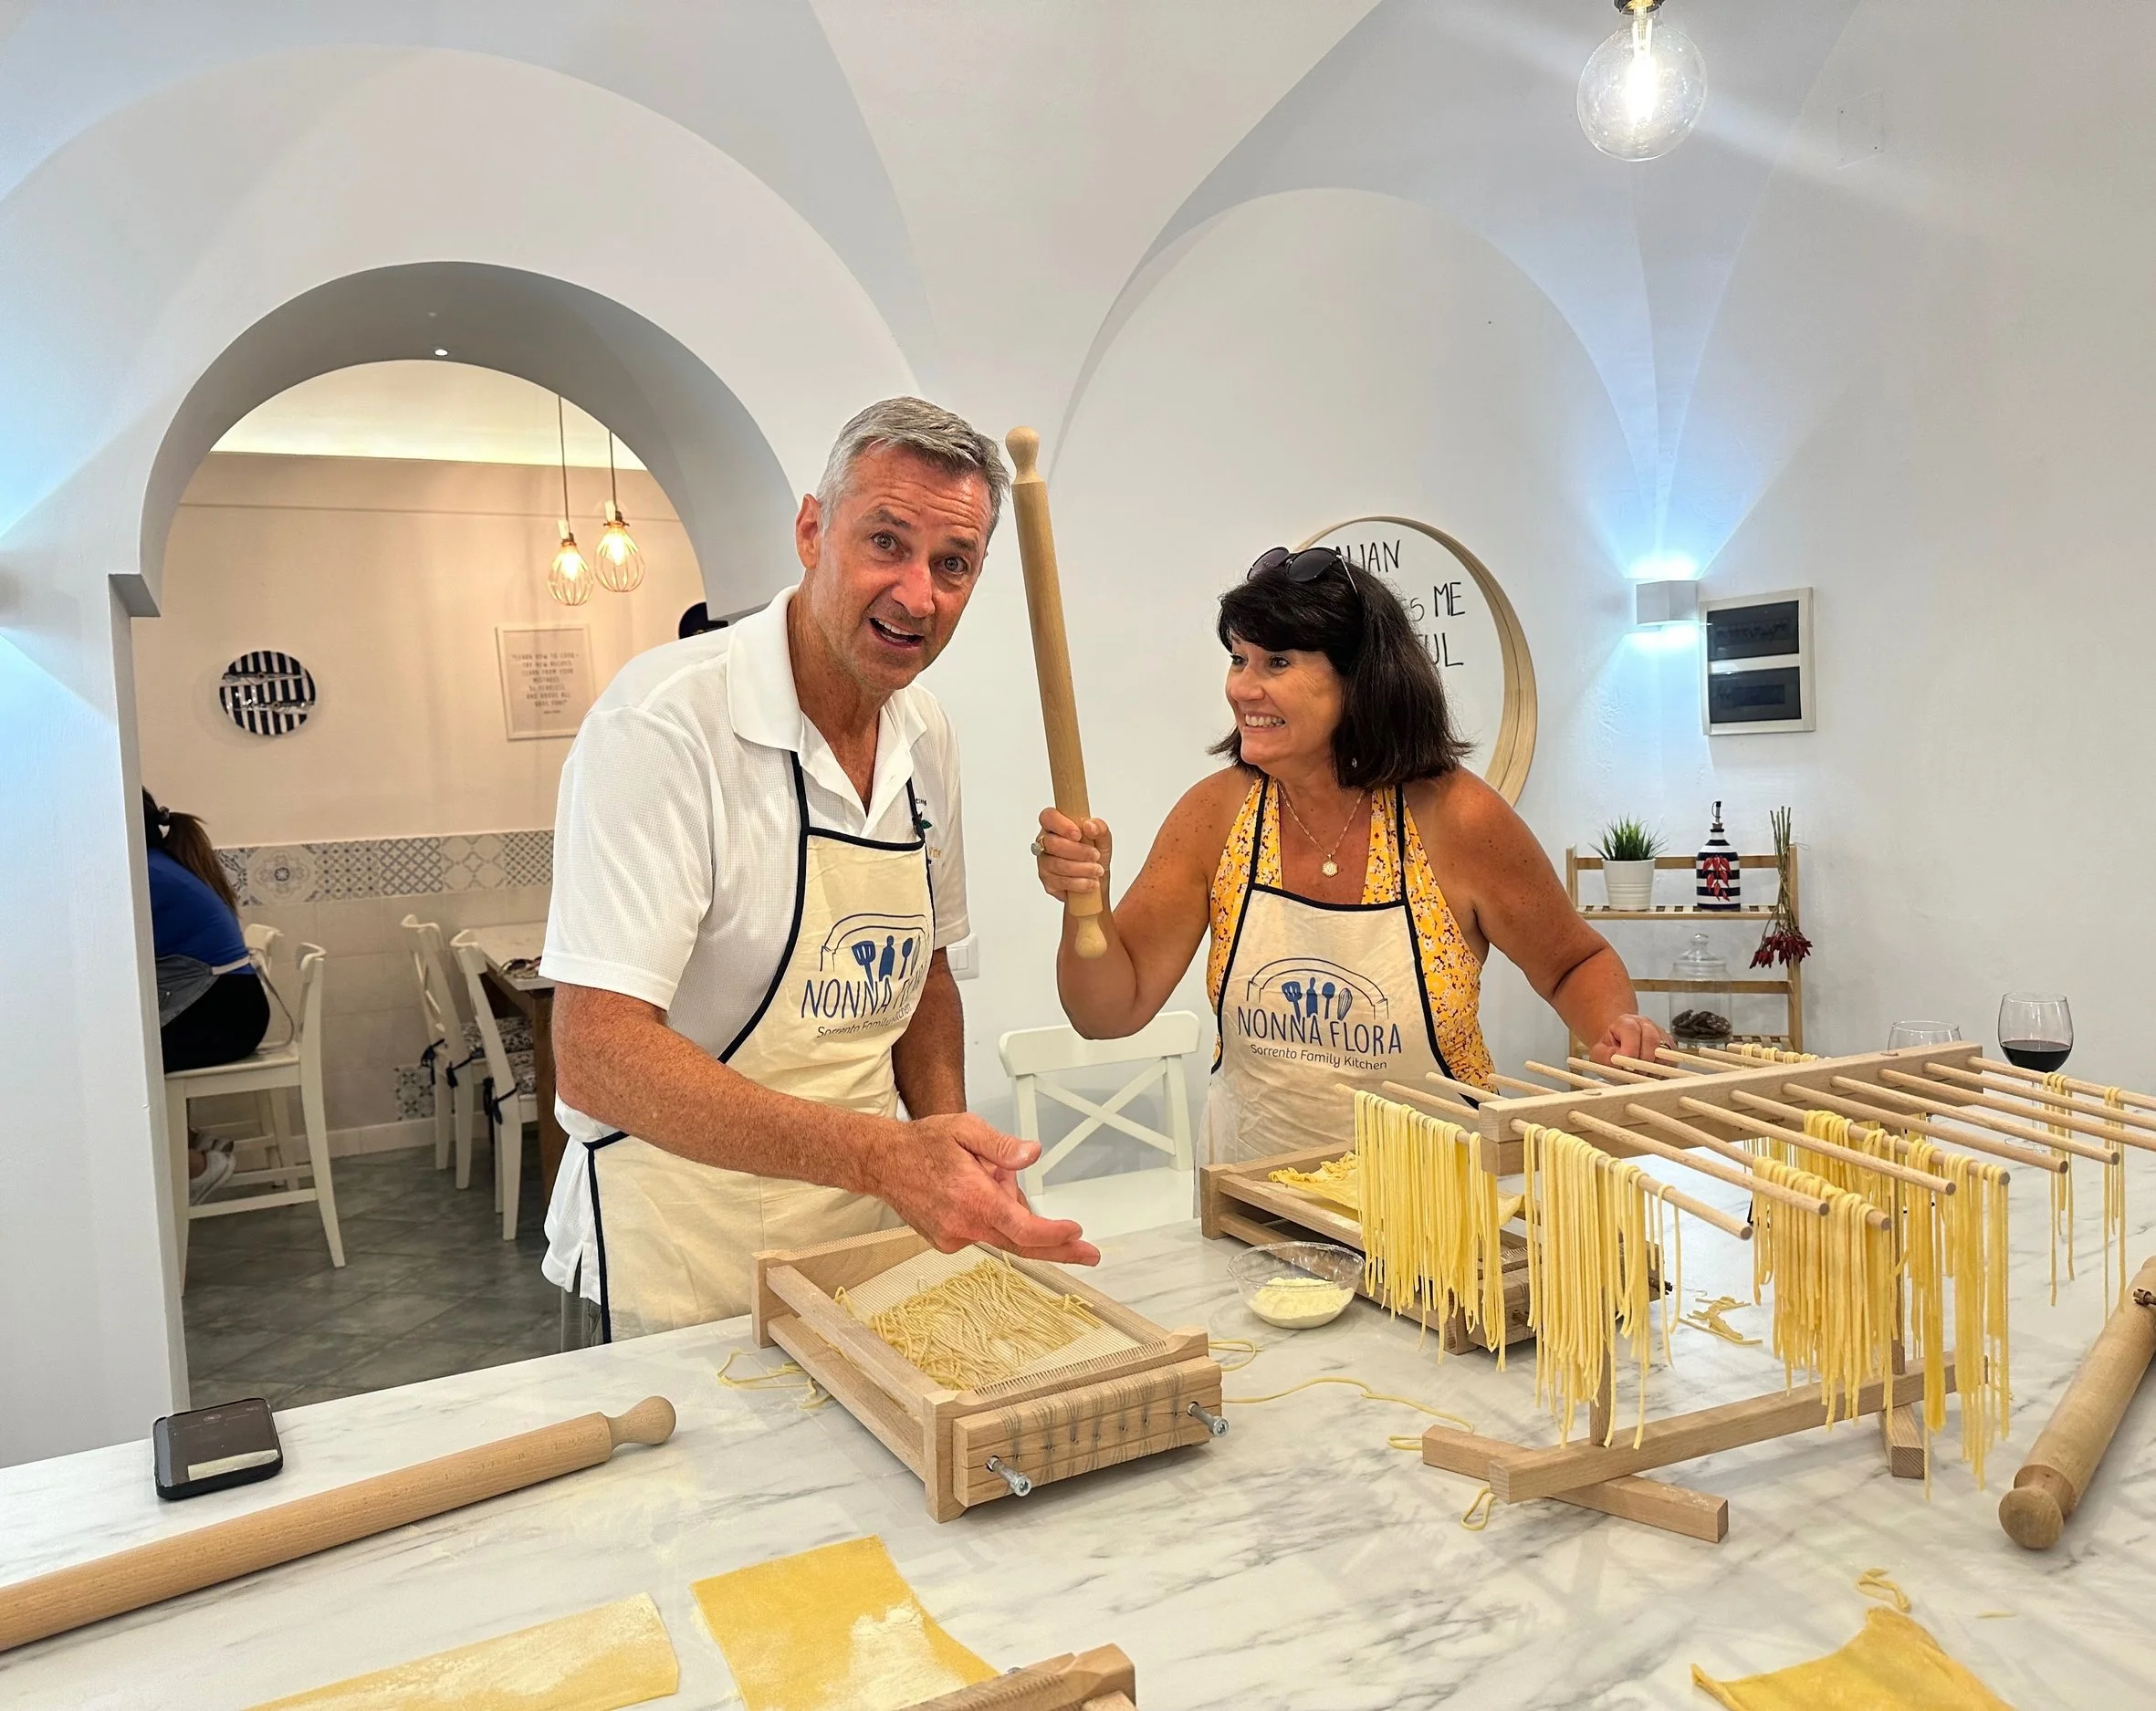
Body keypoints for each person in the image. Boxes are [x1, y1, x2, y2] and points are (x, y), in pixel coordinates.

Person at [540, 398, 1095, 1341]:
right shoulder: (667, 722)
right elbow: (595, 1055)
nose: (918, 595)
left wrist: (949, 1147)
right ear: (811, 530)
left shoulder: (925, 735)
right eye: (887, 542)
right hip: (676, 1260)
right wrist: (885, 1156)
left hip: (865, 1255)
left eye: (952, 565)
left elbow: (920, 973)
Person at [1031, 546, 1667, 1165]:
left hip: (1437, 1208)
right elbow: (1106, 1013)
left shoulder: (1457, 818)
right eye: (1238, 659)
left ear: (1360, 679)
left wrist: (1617, 1027)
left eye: (1276, 662)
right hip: (1258, 1203)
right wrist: (1085, 902)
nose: (1242, 688)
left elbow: (1571, 962)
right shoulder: (1215, 816)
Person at [143, 789, 268, 1202]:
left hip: (225, 1016)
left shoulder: (146, 875)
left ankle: (194, 1165)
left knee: (113, 1068)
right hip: (232, 1008)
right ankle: (193, 1142)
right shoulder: (156, 865)